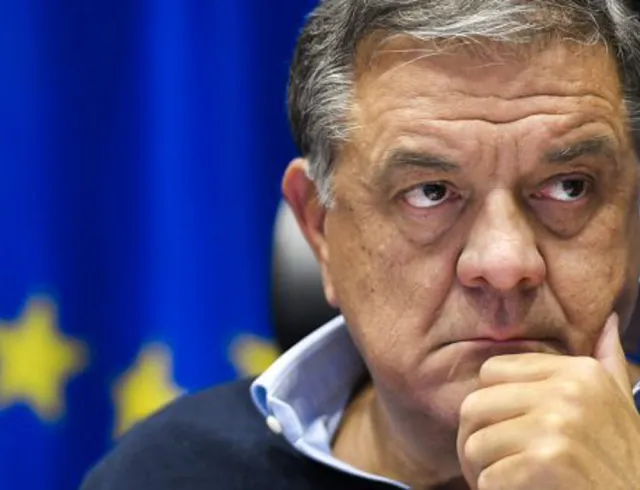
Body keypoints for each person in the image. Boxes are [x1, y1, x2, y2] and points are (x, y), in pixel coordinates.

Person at [82, 1, 640, 488]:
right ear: (319, 226)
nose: (505, 262)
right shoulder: (169, 475)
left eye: (570, 187)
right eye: (430, 192)